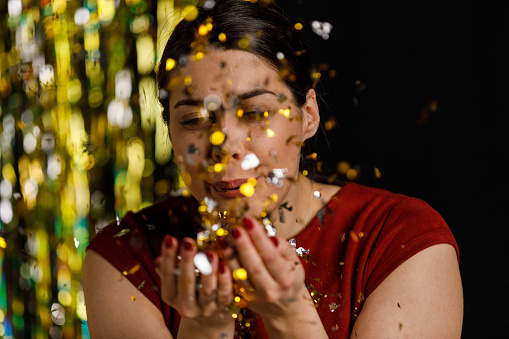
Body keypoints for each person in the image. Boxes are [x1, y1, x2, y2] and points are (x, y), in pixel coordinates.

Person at [83, 0, 463, 338]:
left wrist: (292, 317)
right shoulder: (125, 258)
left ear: (308, 116)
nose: (224, 145)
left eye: (255, 113)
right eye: (195, 119)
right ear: (169, 131)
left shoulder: (400, 239)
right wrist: (205, 327)